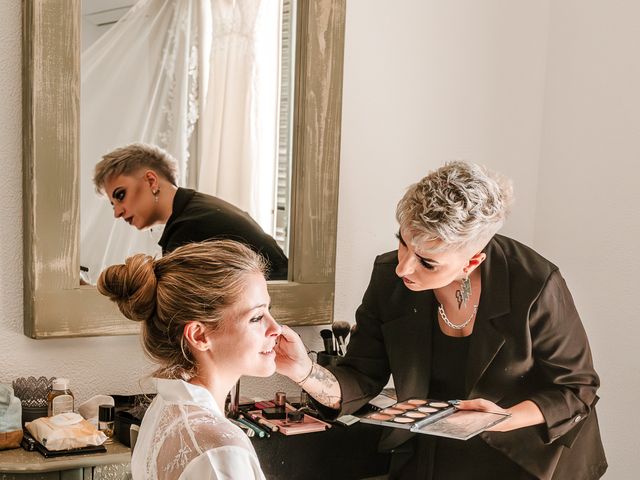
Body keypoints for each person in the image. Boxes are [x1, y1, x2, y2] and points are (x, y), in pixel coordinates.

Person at [275, 161, 607, 479]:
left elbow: (577, 390)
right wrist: (303, 370)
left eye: (427, 262)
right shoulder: (390, 281)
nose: (403, 267)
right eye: (402, 243)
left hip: (528, 453)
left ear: (472, 261)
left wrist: (502, 419)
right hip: (433, 447)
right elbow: (362, 377)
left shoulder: (535, 284)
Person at [98, 240, 279, 479]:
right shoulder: (222, 452)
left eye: (269, 310)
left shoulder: (164, 406)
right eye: (256, 317)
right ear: (199, 335)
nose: (276, 328)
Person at [93, 143, 288, 280]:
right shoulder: (193, 211)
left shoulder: (190, 226)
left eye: (120, 195)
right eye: (112, 204)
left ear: (151, 181)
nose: (117, 212)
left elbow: (169, 306)